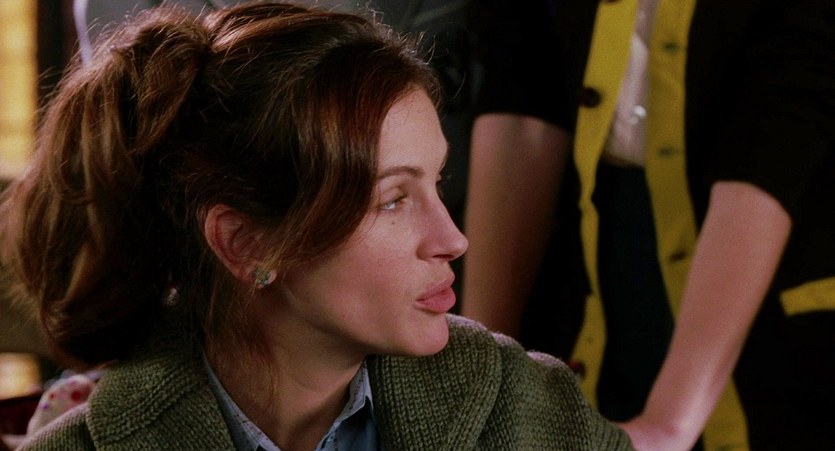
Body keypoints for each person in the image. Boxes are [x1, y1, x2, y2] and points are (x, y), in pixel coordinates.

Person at [0, 3, 632, 449]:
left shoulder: (534, 414)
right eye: (392, 200)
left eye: (436, 184)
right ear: (244, 243)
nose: (452, 239)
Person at [461, 0, 835, 450]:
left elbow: (776, 133)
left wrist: (667, 426)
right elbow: (521, 84)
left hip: (769, 264)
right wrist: (478, 370)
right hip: (592, 242)